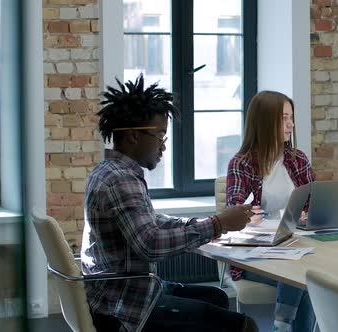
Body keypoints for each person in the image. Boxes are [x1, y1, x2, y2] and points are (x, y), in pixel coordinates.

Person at [81, 74, 258, 332]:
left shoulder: (111, 171)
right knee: (245, 326)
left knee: (217, 298)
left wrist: (207, 224)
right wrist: (217, 224)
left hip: (118, 293)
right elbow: (150, 244)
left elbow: (150, 222)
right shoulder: (120, 181)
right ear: (132, 137)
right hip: (125, 307)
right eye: (160, 136)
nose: (163, 146)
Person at [226, 91, 316, 332]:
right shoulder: (242, 162)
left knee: (305, 273)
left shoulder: (298, 160)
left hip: (297, 245)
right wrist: (246, 215)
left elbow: (313, 201)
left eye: (291, 117)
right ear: (266, 122)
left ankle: (281, 325)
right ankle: (281, 326)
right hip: (256, 255)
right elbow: (233, 208)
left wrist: (310, 213)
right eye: (285, 118)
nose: (291, 124)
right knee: (302, 277)